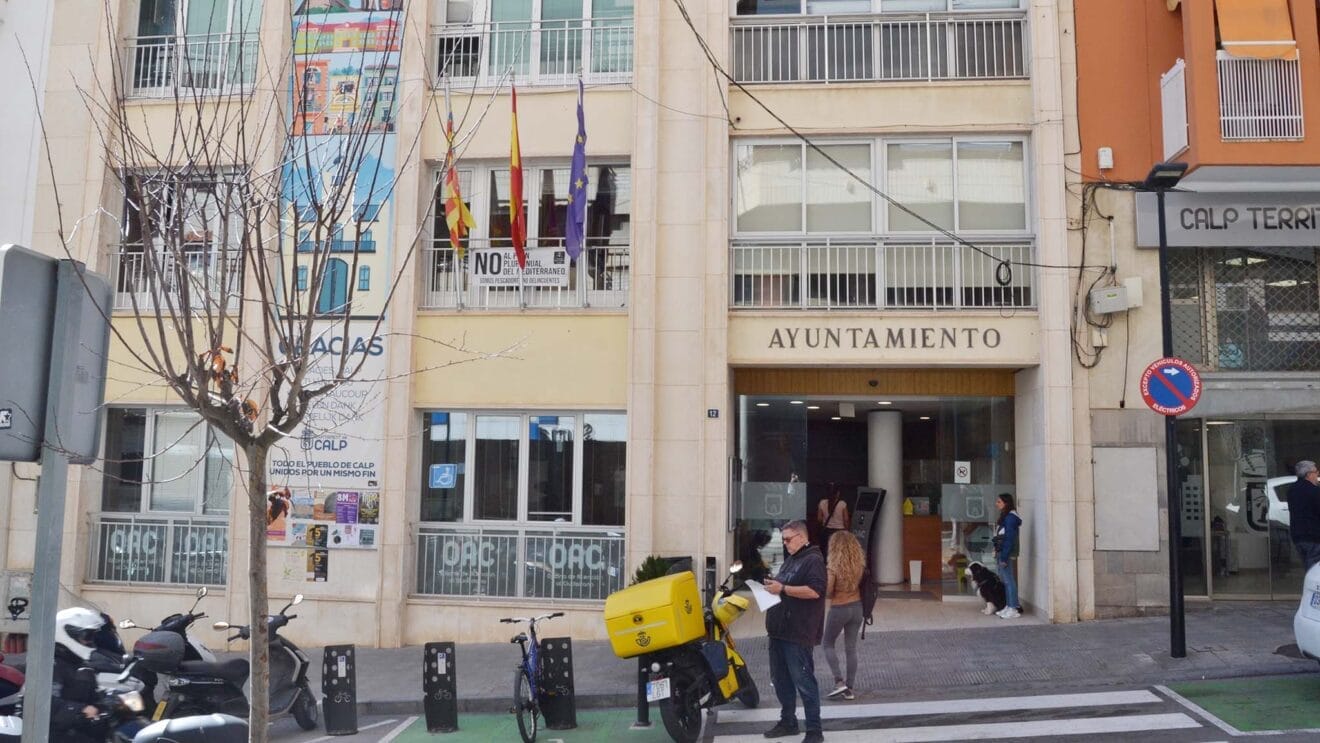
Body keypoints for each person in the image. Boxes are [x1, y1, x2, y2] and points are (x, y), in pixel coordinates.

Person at [762, 520, 827, 743]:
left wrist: (783, 588)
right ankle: (788, 721)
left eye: (788, 539)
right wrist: (773, 586)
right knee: (781, 680)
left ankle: (814, 731)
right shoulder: (793, 559)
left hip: (798, 632)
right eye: (783, 540)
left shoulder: (813, 560)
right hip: (779, 630)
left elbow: (815, 591)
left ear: (801, 537)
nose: (785, 543)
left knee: (804, 681)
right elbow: (785, 586)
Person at [52, 608, 113, 743]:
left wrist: (110, 700)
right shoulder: (51, 665)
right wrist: (80, 709)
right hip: (49, 732)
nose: (89, 642)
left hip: (74, 726)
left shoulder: (78, 664)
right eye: (86, 637)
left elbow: (91, 695)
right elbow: (44, 702)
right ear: (67, 634)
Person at [821, 531, 865, 702]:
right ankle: (850, 688)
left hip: (839, 608)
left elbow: (828, 591)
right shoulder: (859, 564)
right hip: (857, 607)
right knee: (851, 648)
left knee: (827, 643)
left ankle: (839, 682)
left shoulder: (832, 567)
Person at [993, 493, 1022, 619]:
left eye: (999, 502)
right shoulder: (1007, 516)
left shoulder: (1010, 518)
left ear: (1006, 503)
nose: (997, 504)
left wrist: (1004, 557)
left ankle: (1013, 607)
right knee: (1006, 580)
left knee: (1009, 580)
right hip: (1003, 551)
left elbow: (1009, 539)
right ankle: (1009, 605)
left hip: (1006, 552)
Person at [1287, 460, 1320, 571]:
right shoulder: (1314, 491)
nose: (1317, 474)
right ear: (1308, 474)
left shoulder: (1292, 490)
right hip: (1314, 536)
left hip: (1298, 536)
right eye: (1316, 472)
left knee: (1308, 566)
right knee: (1314, 570)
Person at [816, 488, 851, 561]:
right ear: (838, 493)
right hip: (840, 532)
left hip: (827, 532)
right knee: (839, 552)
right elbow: (846, 520)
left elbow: (819, 519)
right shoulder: (842, 504)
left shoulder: (822, 503)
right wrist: (847, 531)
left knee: (827, 552)